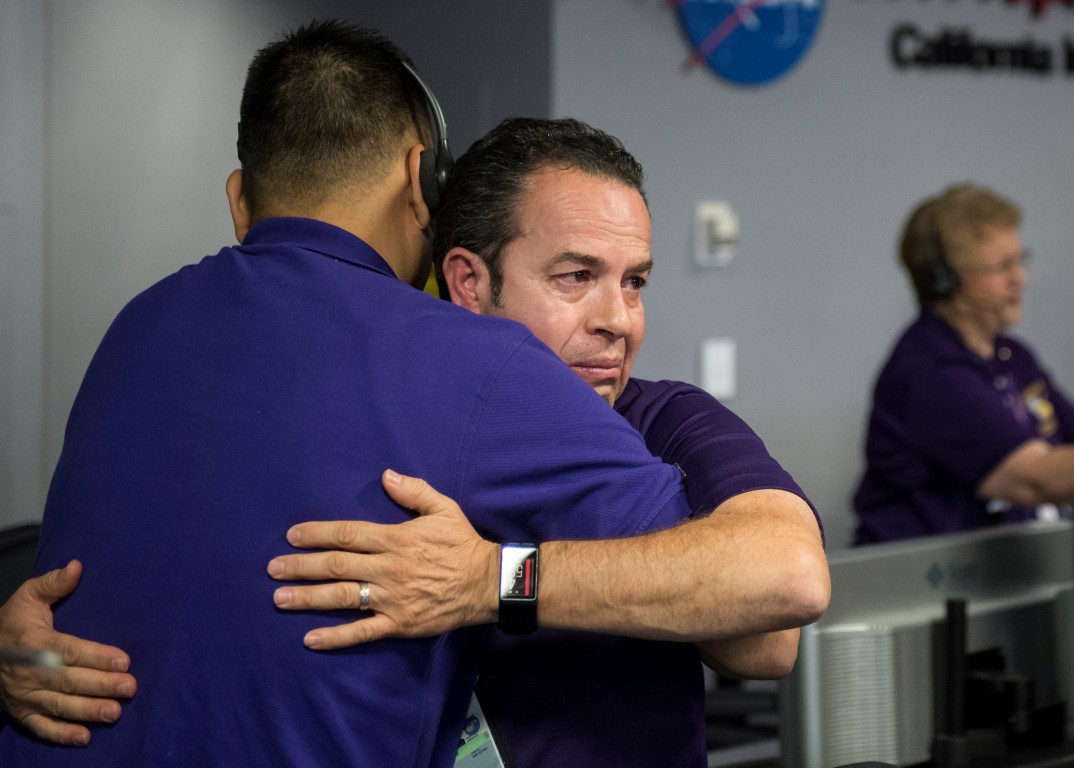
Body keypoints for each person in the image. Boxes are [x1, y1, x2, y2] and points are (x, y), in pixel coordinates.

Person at [0, 45, 828, 768]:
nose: (618, 317)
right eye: (575, 277)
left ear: (242, 197)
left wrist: (492, 580)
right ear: (457, 261)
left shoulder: (141, 325)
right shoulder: (441, 367)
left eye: (636, 282)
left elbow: (773, 608)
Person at [853, 183, 1074, 545]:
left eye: (1020, 260)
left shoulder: (1014, 357)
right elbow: (1035, 479)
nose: (1020, 278)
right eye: (1002, 266)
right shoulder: (929, 372)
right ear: (946, 281)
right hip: (929, 591)